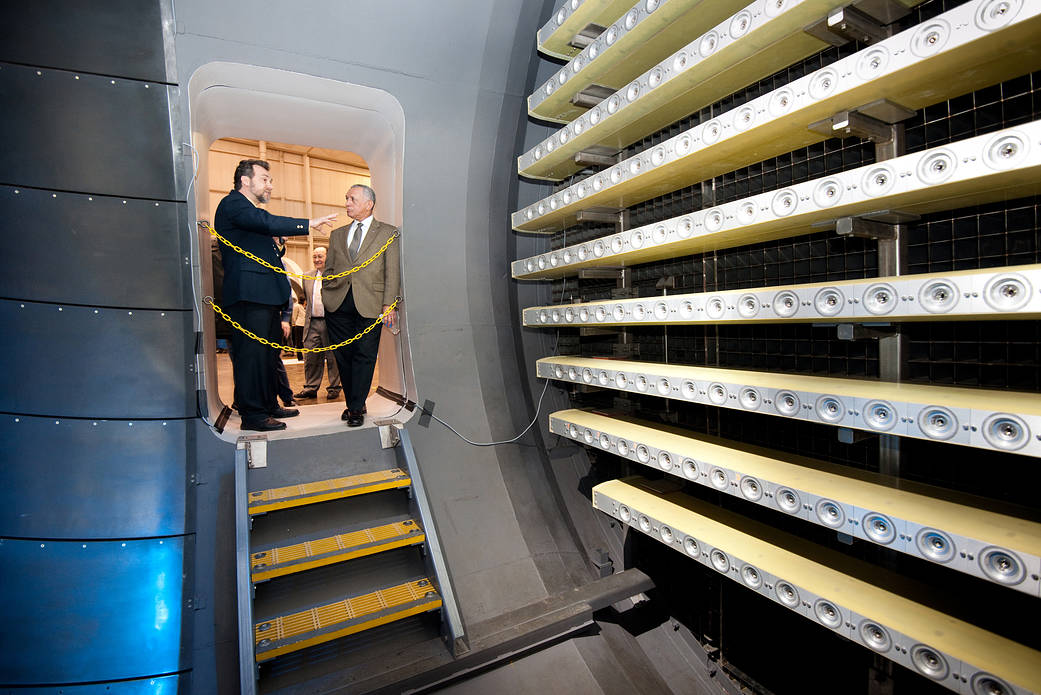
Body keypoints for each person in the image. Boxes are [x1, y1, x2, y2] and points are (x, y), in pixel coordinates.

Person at [216, 159, 336, 431]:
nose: (270, 185)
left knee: (269, 356)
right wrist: (307, 223)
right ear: (245, 181)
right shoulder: (233, 204)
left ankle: (268, 404)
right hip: (250, 295)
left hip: (265, 295)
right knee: (252, 356)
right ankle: (254, 415)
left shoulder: (249, 212)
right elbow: (264, 222)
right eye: (265, 179)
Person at [322, 184, 400, 427]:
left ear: (369, 204)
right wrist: (328, 293)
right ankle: (355, 402)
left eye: (352, 199)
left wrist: (389, 304)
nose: (346, 203)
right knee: (343, 356)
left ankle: (355, 408)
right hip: (338, 304)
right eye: (346, 198)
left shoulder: (388, 233)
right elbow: (329, 269)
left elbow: (392, 272)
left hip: (371, 304)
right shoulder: (337, 235)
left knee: (364, 356)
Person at [293, 247, 342, 400]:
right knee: (311, 357)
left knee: (333, 357)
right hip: (312, 322)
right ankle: (310, 388)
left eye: (320, 256)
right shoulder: (307, 276)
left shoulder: (337, 275)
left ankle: (334, 388)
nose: (316, 260)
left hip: (331, 322)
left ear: (328, 256)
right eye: (314, 257)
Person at [291, 295, 305, 361]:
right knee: (298, 342)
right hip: (299, 325)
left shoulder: (304, 307)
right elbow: (294, 316)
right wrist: (295, 322)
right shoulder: (297, 306)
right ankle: (300, 357)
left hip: (304, 325)